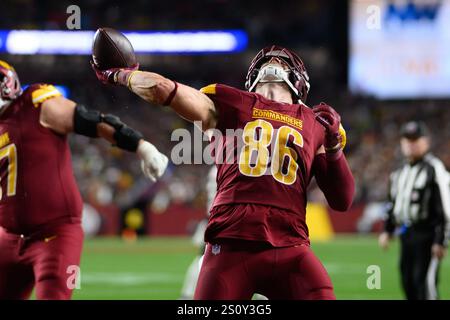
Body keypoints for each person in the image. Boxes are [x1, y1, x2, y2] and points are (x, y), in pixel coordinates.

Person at [92, 45, 355, 299]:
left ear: (300, 84)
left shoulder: (315, 123)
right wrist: (121, 74)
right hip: (230, 245)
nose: (274, 64)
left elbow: (342, 200)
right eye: (267, 62)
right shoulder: (231, 102)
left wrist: (333, 149)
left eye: (282, 63)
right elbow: (163, 89)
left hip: (291, 248)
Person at [0, 60, 168, 299]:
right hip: (8, 237)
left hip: (54, 235)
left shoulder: (34, 104)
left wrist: (141, 146)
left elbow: (90, 120)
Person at [379, 121, 450, 300]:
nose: (411, 144)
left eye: (415, 140)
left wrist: (440, 240)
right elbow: (392, 202)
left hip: (428, 235)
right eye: (407, 140)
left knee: (425, 284)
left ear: (426, 142)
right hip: (407, 233)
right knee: (408, 282)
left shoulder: (434, 168)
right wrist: (387, 230)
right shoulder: (399, 172)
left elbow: (445, 207)